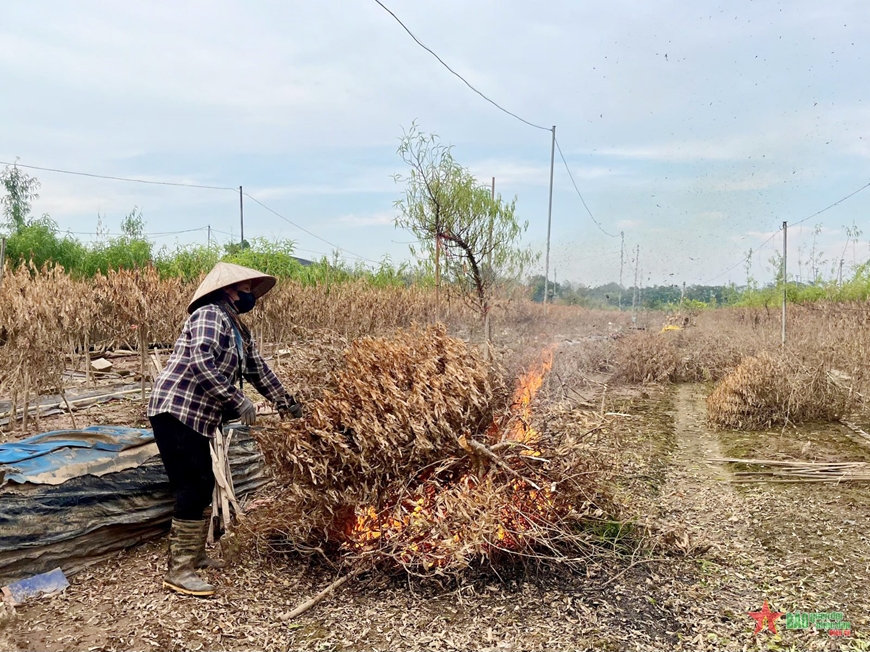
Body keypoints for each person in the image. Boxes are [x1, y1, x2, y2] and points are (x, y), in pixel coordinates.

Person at [147, 262, 302, 597]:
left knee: (201, 481)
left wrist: (287, 403)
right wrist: (238, 400)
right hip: (175, 410)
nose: (250, 295)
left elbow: (259, 371)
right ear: (229, 291)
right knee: (193, 483)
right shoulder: (209, 315)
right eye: (246, 289)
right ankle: (179, 570)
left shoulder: (239, 331)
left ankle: (194, 556)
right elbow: (199, 362)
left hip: (197, 417)